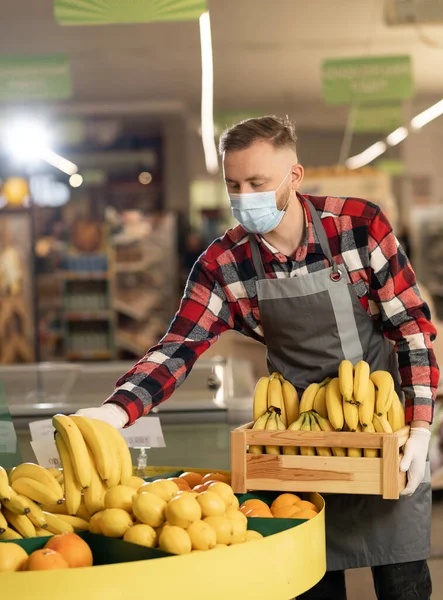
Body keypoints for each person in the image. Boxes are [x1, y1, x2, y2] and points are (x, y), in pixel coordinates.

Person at [77, 116, 439, 600]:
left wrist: (417, 429)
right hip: (292, 448)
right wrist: (118, 408)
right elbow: (180, 345)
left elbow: (412, 328)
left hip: (380, 438)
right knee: (310, 582)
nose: (244, 196)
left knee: (404, 586)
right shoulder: (223, 265)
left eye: (257, 183)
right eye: (233, 185)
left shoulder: (358, 226)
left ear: (294, 176)